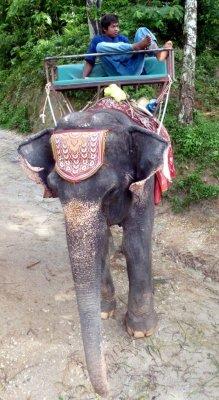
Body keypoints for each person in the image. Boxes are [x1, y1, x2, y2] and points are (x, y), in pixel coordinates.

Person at [83, 14, 172, 78]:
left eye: (117, 26)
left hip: (132, 69)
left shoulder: (122, 38)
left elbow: (129, 57)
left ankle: (158, 54)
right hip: (116, 72)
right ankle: (134, 46)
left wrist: (143, 75)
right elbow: (89, 61)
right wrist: (83, 78)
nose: (117, 29)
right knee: (100, 46)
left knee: (142, 30)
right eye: (113, 27)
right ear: (104, 29)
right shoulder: (97, 40)